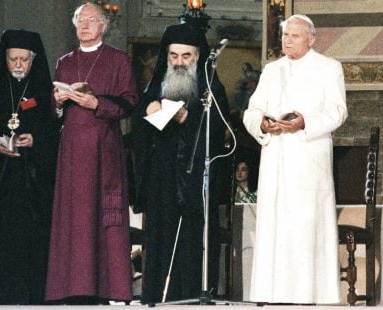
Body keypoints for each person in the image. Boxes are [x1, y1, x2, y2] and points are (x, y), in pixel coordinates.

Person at [242, 14, 347, 304]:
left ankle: (309, 296)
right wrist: (262, 123)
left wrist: (304, 121)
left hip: (308, 157)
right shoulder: (272, 69)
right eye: (286, 35)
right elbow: (252, 110)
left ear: (311, 39)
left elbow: (338, 112)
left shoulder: (329, 68)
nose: (288, 40)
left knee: (305, 227)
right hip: (276, 157)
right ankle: (272, 295)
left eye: (295, 36)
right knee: (276, 228)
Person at [45, 2, 138, 304]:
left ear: (103, 26)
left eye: (90, 20)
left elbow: (129, 103)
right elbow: (54, 112)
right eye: (79, 21)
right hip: (71, 150)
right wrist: (58, 101)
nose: (84, 26)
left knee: (100, 218)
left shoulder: (119, 60)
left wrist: (96, 104)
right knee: (73, 219)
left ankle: (107, 289)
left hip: (103, 149)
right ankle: (70, 288)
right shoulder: (64, 61)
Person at [132, 22, 228, 304]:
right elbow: (139, 121)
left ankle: (193, 293)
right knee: (162, 233)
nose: (179, 63)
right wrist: (149, 109)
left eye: (186, 57)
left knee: (193, 236)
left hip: (198, 175)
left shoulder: (209, 85)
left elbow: (220, 127)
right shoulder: (159, 81)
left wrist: (190, 119)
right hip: (163, 176)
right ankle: (159, 294)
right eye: (174, 56)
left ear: (197, 56)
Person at [0, 29, 57, 305]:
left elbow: (54, 131)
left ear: (33, 60)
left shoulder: (44, 90)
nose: (19, 65)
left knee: (31, 240)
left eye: (24, 59)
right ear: (5, 59)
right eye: (13, 59)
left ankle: (32, 295)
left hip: (31, 181)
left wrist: (35, 139)